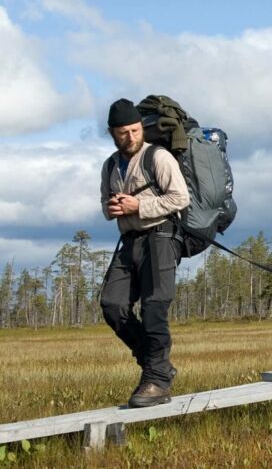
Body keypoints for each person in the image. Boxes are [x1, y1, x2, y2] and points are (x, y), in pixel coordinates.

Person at [99, 98, 190, 408]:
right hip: (129, 241)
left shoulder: (159, 157)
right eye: (123, 132)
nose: (131, 137)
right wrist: (112, 209)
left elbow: (180, 198)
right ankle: (157, 365)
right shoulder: (110, 165)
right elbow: (105, 205)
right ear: (112, 132)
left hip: (161, 236)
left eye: (135, 130)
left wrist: (140, 205)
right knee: (112, 305)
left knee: (154, 308)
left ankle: (157, 382)